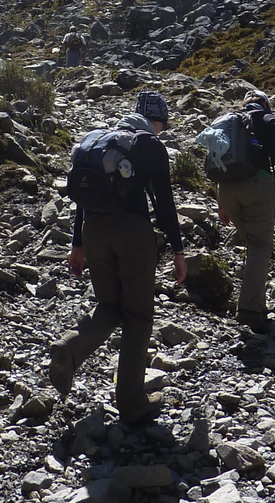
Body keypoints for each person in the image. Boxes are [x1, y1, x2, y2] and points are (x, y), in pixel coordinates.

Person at [50, 90, 187, 424]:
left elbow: (82, 200)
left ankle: (69, 348)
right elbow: (164, 203)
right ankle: (131, 401)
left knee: (109, 307)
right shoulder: (150, 145)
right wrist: (179, 250)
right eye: (161, 125)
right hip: (133, 234)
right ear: (157, 122)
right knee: (138, 318)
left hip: (95, 232)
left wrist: (77, 244)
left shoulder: (100, 143)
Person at [217, 92, 275, 333]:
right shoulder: (268, 121)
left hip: (227, 189)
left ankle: (253, 299)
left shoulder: (229, 121)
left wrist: (221, 202)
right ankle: (250, 310)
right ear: (265, 104)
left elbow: (217, 159)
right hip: (257, 186)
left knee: (251, 241)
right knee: (259, 245)